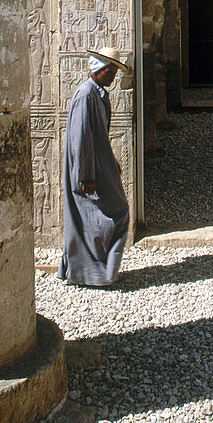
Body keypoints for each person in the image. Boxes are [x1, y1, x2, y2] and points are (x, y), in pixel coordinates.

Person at [57, 46, 131, 288]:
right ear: (97, 67)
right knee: (114, 212)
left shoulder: (97, 93)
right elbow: (80, 139)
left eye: (114, 70)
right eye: (108, 69)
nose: (112, 73)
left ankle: (87, 272)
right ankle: (96, 273)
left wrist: (111, 160)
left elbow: (97, 135)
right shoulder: (86, 94)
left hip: (97, 163)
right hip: (88, 167)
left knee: (88, 219)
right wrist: (86, 176)